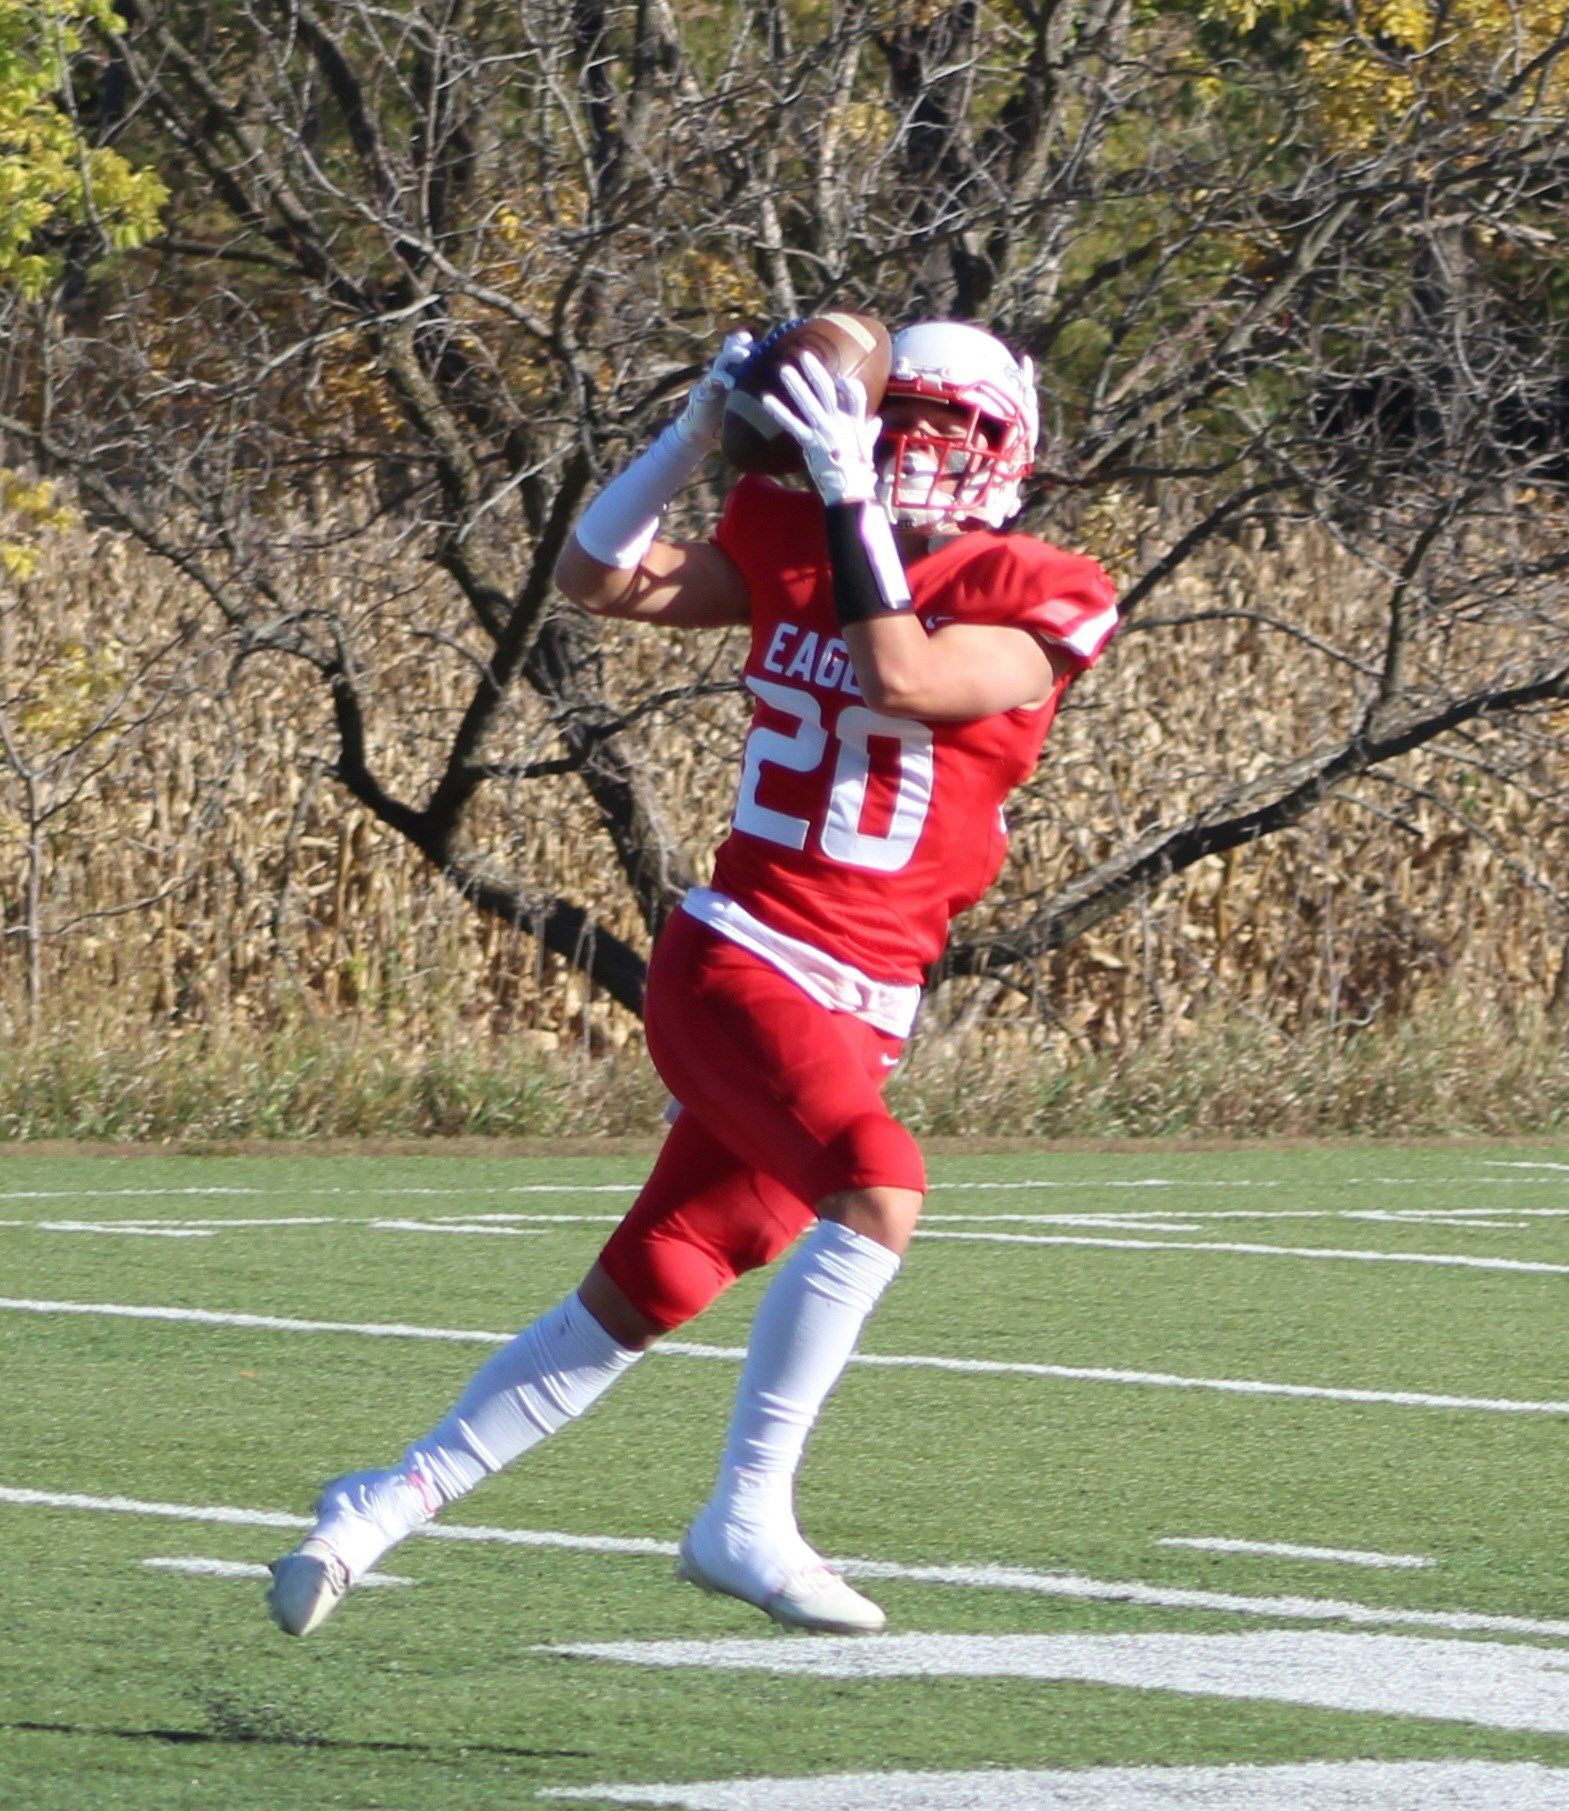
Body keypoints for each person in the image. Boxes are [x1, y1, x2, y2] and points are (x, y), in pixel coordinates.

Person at [266, 317, 1119, 1640]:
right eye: (897, 421)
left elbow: (907, 670)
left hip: (863, 996)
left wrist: (840, 494)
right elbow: (597, 578)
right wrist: (688, 437)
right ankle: (748, 1513)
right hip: (747, 951)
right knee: (879, 1184)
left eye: (936, 428)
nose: (906, 448)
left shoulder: (1039, 583)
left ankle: (374, 1505)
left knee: (661, 1276)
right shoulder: (800, 528)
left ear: (999, 449)